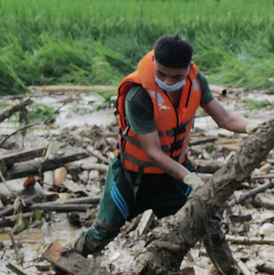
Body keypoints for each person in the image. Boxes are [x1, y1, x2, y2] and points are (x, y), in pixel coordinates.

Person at [71, 35, 250, 258]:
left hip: (172, 176)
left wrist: (255, 126)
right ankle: (66, 261)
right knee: (103, 232)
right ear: (154, 61)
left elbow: (225, 119)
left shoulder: (196, 81)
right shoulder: (138, 95)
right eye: (161, 73)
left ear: (188, 68)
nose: (168, 80)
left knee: (208, 221)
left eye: (176, 76)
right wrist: (191, 178)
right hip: (133, 178)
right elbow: (153, 152)